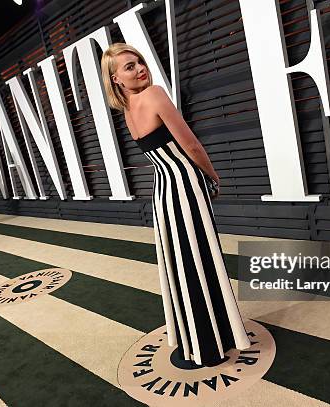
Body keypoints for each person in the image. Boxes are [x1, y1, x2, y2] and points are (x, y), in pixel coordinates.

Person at [101, 43, 251, 367]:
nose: (139, 68)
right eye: (129, 67)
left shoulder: (128, 111)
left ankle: (195, 342)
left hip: (162, 193)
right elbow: (192, 146)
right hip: (186, 185)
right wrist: (213, 177)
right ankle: (214, 343)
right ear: (115, 79)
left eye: (139, 61)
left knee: (182, 267)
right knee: (201, 260)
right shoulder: (154, 94)